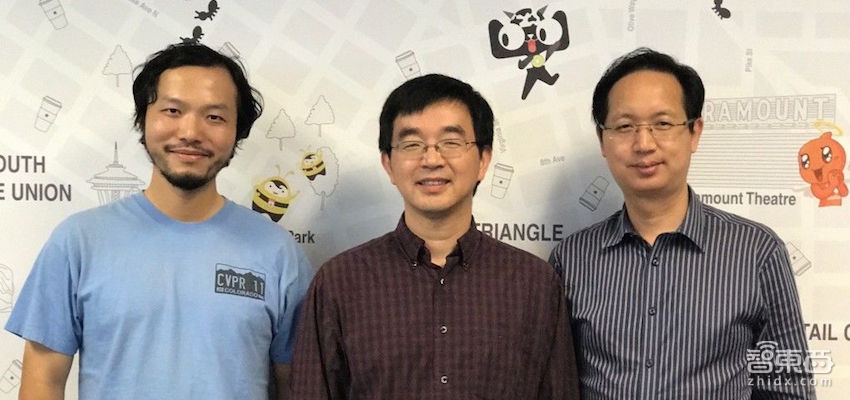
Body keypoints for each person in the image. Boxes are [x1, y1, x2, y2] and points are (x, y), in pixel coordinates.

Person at [5, 43, 313, 399]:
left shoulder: (277, 252)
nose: (190, 132)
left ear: (236, 132)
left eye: (214, 117)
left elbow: (298, 387)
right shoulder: (79, 241)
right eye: (172, 110)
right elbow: (42, 381)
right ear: (143, 120)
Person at [289, 73, 580, 399]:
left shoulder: (534, 284)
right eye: (412, 144)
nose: (431, 159)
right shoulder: (339, 282)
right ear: (388, 164)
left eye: (451, 142)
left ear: (483, 160)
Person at [549, 47, 815, 399]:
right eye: (625, 126)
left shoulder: (756, 252)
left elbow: (788, 387)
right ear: (602, 140)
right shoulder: (571, 259)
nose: (644, 144)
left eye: (662, 124)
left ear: (694, 132)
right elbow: (556, 386)